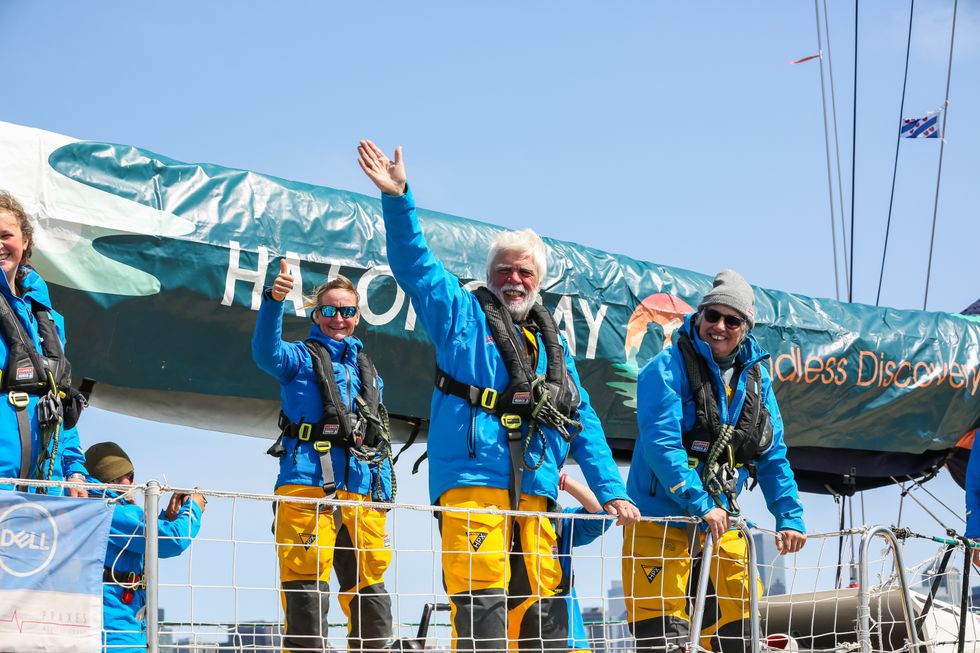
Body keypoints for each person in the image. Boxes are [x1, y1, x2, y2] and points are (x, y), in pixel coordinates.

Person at [358, 139, 639, 652]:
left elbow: (586, 423)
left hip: (537, 491)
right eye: (505, 270)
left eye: (524, 272)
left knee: (543, 616)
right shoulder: (459, 316)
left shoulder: (554, 351)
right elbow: (416, 266)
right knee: (481, 612)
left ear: (539, 283)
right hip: (471, 483)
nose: (514, 279)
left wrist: (612, 490)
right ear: (490, 276)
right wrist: (399, 199)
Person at [624, 269, 806, 653]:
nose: (720, 326)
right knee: (662, 636)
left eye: (732, 320)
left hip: (722, 520)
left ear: (745, 328)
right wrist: (699, 501)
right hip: (662, 518)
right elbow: (661, 446)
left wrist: (789, 516)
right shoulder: (663, 368)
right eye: (713, 316)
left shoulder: (757, 380)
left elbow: (773, 454)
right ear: (700, 316)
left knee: (743, 622)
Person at [253, 266, 394, 653]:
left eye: (347, 312)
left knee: (371, 588)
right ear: (316, 315)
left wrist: (381, 503)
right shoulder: (297, 358)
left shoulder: (367, 370)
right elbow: (266, 353)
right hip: (306, 483)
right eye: (329, 311)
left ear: (357, 317)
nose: (338, 319)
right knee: (305, 588)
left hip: (362, 493)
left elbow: (377, 439)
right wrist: (273, 302)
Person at [0, 190, 87, 496]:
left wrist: (75, 471)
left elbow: (59, 398)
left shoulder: (47, 319)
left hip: (44, 491)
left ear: (24, 241)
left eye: (6, 235)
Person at [85, 442, 204, 653]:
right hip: (117, 632)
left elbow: (137, 545)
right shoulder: (115, 512)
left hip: (107, 624)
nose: (134, 482)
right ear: (114, 478)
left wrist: (165, 518)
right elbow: (173, 541)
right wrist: (193, 508)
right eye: (130, 475)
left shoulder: (93, 509)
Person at [552, 474, 614, 653]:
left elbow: (600, 512)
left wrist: (559, 478)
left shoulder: (559, 520)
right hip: (515, 635)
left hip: (569, 638)